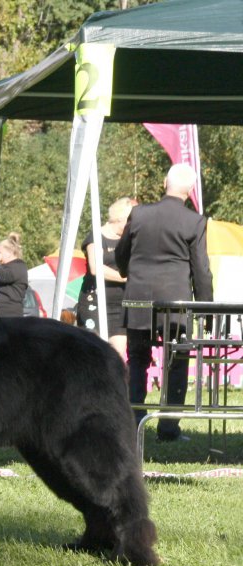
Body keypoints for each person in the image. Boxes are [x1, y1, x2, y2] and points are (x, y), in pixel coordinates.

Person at [116, 164, 213, 441]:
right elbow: (201, 271)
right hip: (176, 305)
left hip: (138, 301)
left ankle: (134, 424)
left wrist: (126, 272)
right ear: (190, 190)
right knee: (177, 363)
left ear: (164, 183)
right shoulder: (194, 221)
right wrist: (206, 310)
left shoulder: (139, 214)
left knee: (137, 360)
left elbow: (122, 254)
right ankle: (169, 428)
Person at [76, 196, 137, 358]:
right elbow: (96, 268)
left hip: (120, 305)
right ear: (120, 219)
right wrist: (124, 278)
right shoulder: (96, 236)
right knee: (94, 353)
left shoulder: (129, 240)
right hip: (94, 302)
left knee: (118, 354)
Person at [0, 232, 28, 317]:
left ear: (9, 252)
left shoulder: (19, 266)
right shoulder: (5, 267)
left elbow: (3, 276)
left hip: (10, 315)